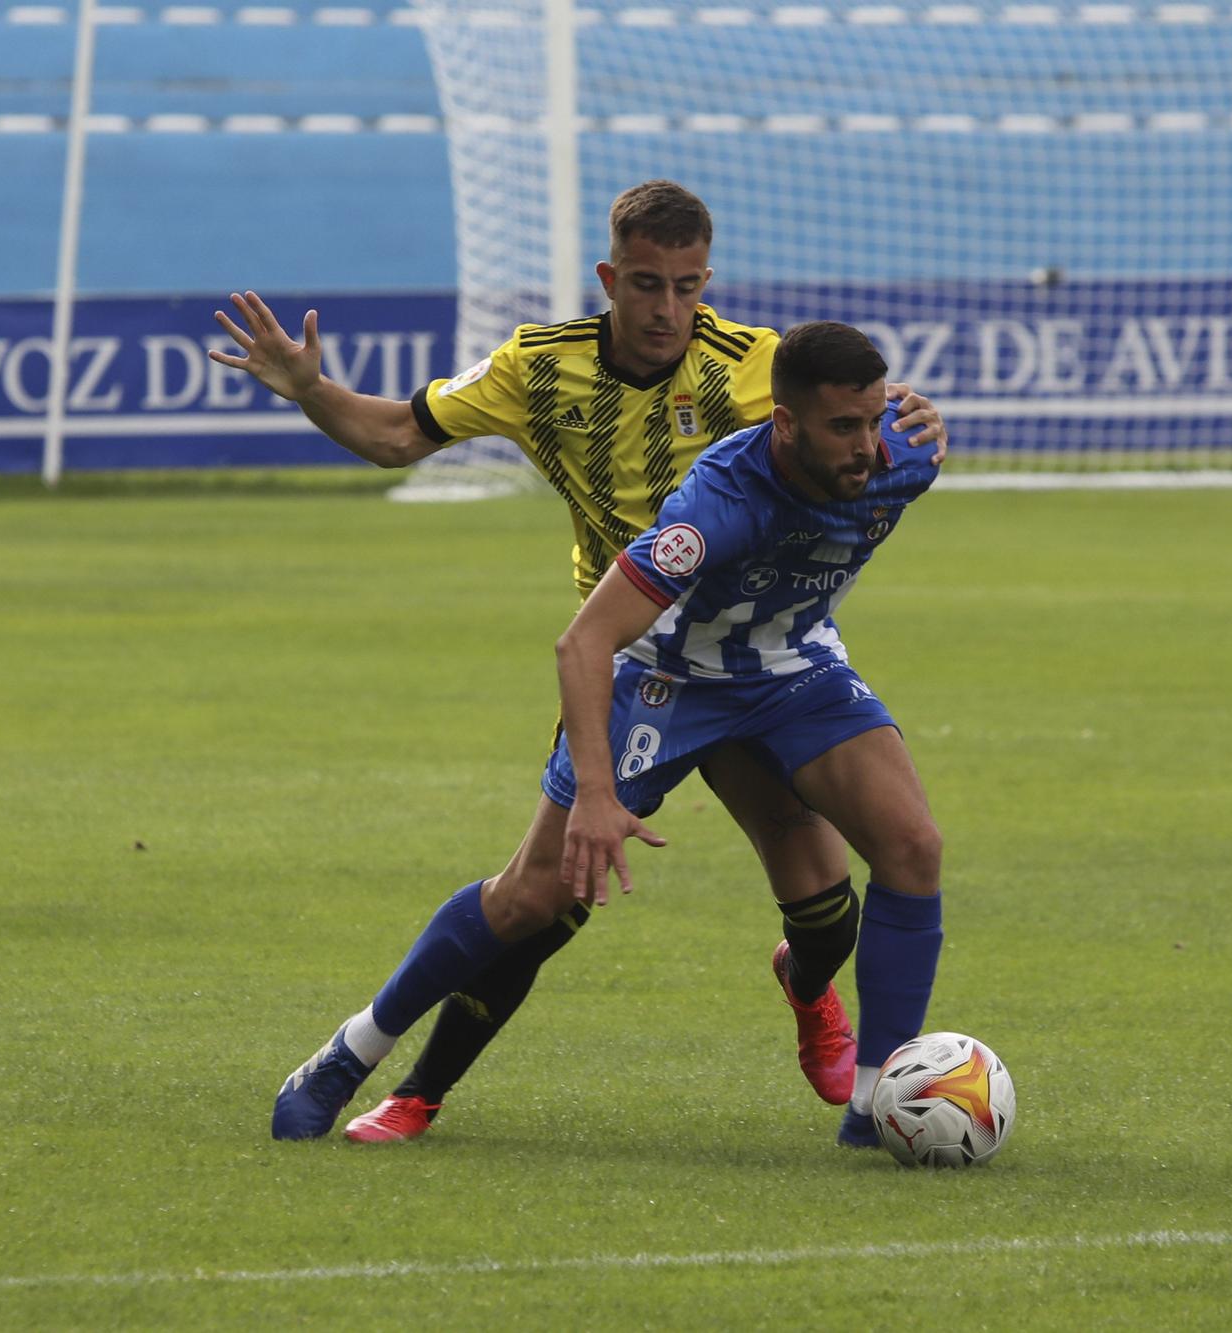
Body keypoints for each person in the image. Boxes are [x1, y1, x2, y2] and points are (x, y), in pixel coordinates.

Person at [212, 181, 947, 1146]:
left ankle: (859, 1080)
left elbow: (854, 407)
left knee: (833, 907)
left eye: (688, 288)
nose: (667, 310)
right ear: (611, 278)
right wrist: (312, 388)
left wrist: (908, 415)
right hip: (643, 659)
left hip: (773, 658)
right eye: (647, 285)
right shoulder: (541, 368)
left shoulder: (764, 370)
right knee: (543, 899)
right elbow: (395, 435)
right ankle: (372, 1067)